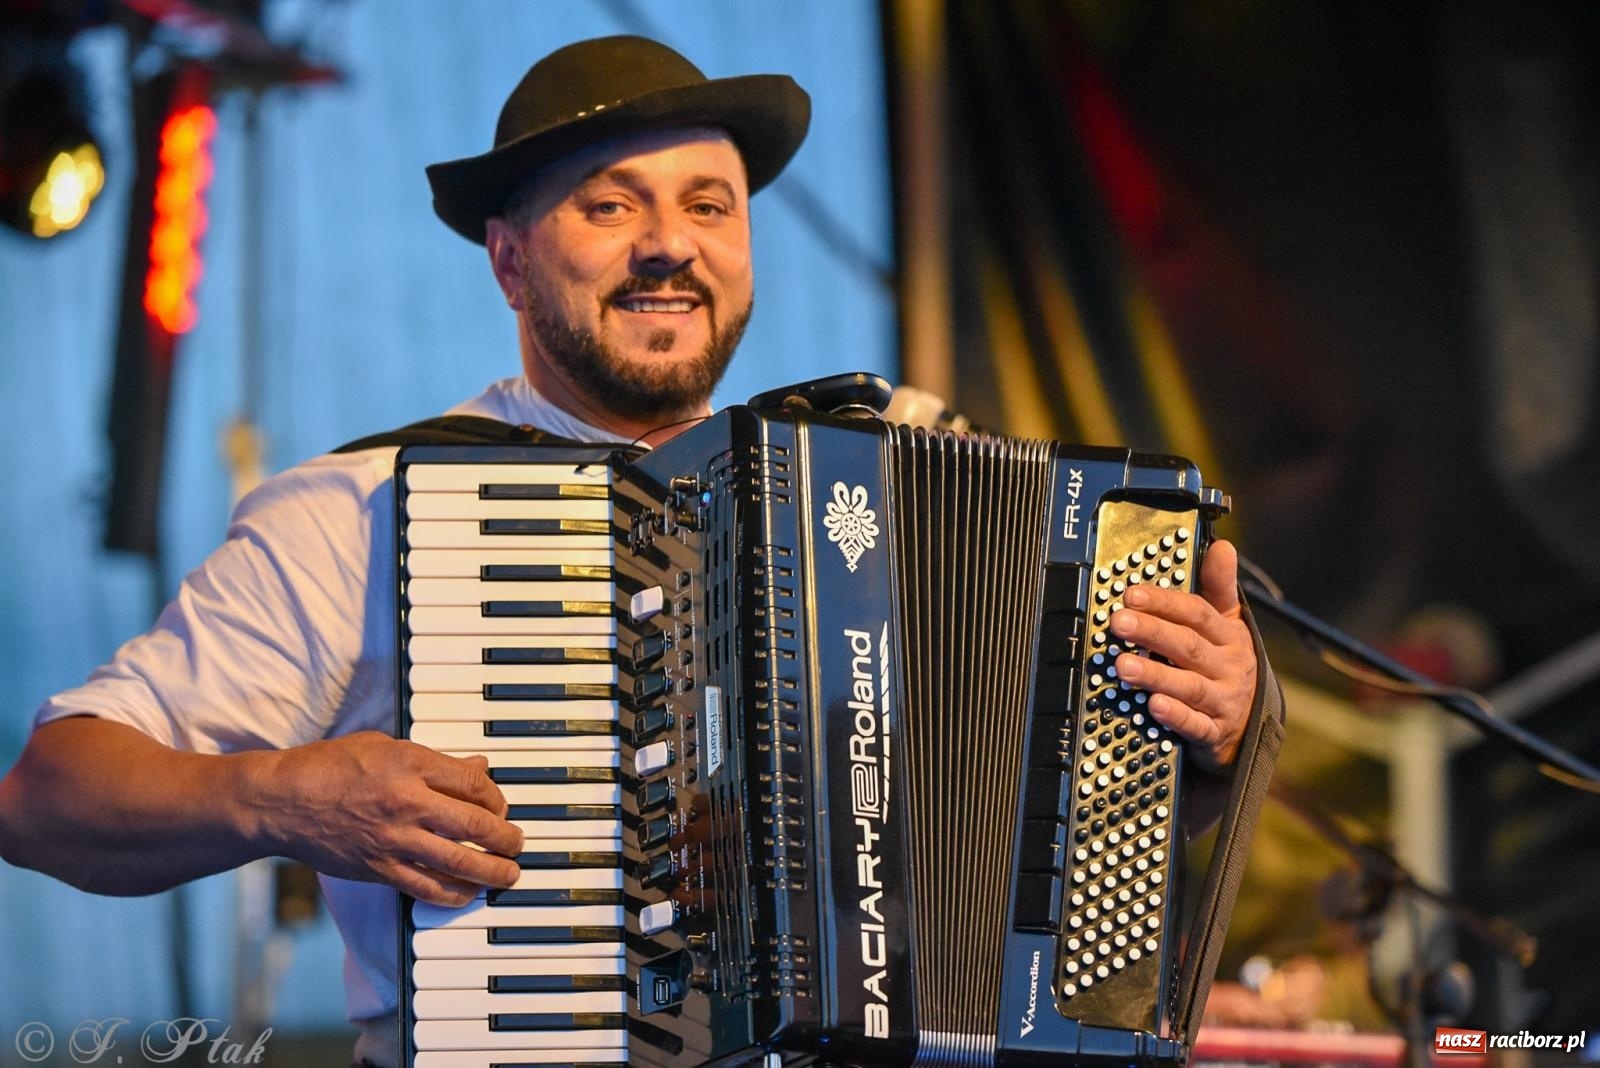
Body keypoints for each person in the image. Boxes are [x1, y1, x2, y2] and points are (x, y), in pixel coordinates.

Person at [0, 35, 1277, 1068]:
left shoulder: (899, 466)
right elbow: (47, 797)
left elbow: (1068, 800)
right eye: (610, 205)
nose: (669, 242)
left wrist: (1209, 710)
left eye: (708, 205)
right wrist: (282, 798)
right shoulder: (356, 506)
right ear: (508, 260)